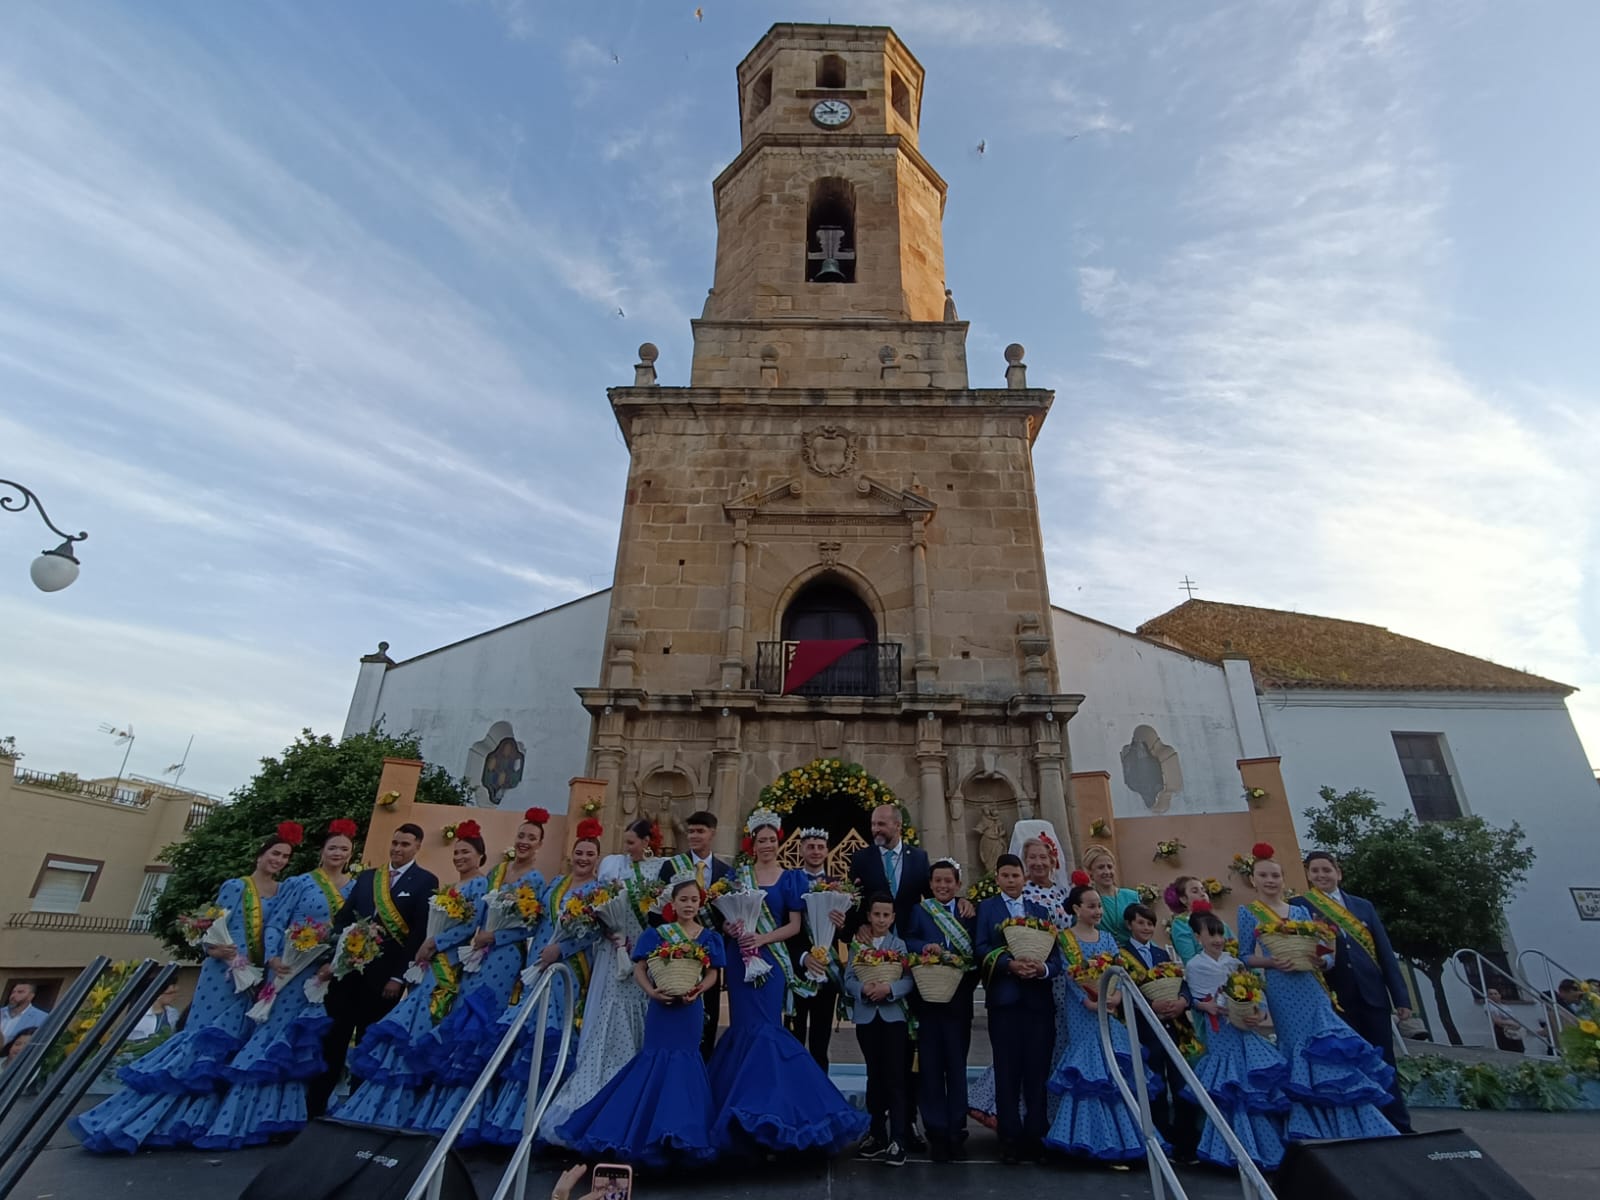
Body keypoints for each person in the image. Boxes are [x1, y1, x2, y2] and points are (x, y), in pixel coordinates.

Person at [71, 825, 295, 1152]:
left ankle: (213, 1121)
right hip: (223, 976)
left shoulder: (284, 891)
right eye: (275, 853)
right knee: (206, 1042)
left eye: (286, 857)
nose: (279, 860)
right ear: (261, 854)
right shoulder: (236, 887)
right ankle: (158, 1119)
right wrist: (213, 949)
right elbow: (212, 929)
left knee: (238, 1047)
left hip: (257, 977)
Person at [420, 821, 600, 1146]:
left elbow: (589, 932)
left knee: (545, 1035)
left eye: (589, 854)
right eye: (579, 852)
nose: (583, 858)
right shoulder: (553, 883)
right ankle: (472, 1113)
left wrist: (560, 949)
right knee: (509, 1031)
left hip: (563, 968)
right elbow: (532, 922)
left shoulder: (591, 889)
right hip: (526, 964)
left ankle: (530, 1120)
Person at [707, 809, 865, 1157]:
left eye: (771, 840)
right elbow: (721, 921)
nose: (766, 845)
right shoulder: (737, 876)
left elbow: (794, 926)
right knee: (742, 1028)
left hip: (770, 958)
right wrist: (731, 930)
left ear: (778, 842)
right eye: (760, 840)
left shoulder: (790, 878)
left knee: (768, 1031)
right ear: (753, 843)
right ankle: (739, 1110)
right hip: (739, 959)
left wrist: (761, 940)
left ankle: (776, 1110)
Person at [200, 819, 358, 1148]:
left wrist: (337, 963)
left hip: (321, 975)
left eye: (344, 849)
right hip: (287, 968)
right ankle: (244, 1117)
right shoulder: (299, 883)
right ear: (322, 851)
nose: (338, 853)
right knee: (272, 1037)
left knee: (303, 1043)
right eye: (332, 847)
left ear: (351, 853)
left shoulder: (354, 888)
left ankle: (288, 1118)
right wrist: (272, 957)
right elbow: (275, 923)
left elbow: (352, 934)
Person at [553, 874, 724, 1167]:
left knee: (686, 1062)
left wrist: (699, 990)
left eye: (694, 900)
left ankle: (681, 1134)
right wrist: (651, 993)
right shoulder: (657, 934)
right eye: (683, 899)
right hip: (661, 1008)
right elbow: (640, 968)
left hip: (690, 1009)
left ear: (700, 903)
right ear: (673, 903)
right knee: (653, 1061)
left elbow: (713, 974)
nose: (689, 905)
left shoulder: (710, 938)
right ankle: (642, 1132)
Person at [334, 820, 489, 1128]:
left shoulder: (477, 885)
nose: (459, 858)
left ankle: (405, 1104)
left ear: (481, 857)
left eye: (466, 853)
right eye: (456, 852)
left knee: (417, 1027)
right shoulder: (450, 887)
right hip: (423, 963)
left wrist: (434, 943)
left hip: (443, 966)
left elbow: (468, 927)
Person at [1241, 847, 1398, 1142]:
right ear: (1253, 880)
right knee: (1297, 1052)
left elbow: (1325, 951)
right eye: (1263, 875)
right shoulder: (1248, 912)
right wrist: (1271, 962)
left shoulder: (1300, 910)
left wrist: (1322, 961)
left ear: (1284, 879)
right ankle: (1311, 1127)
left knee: (1327, 1047)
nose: (1270, 880)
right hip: (1282, 989)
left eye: (1275, 875)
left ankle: (1352, 1124)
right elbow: (1245, 956)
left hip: (1310, 986)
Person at [307, 822, 437, 1118]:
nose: (397, 849)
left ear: (417, 847)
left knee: (368, 1044)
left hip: (383, 981)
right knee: (332, 1042)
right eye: (395, 843)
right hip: (346, 975)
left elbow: (418, 933)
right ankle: (314, 1110)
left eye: (405, 844)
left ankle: (355, 1111)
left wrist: (397, 976)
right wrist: (339, 947)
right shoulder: (367, 878)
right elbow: (342, 920)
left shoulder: (425, 880)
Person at [542, 819, 658, 1139]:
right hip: (611, 954)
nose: (627, 846)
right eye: (626, 839)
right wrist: (610, 930)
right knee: (608, 1016)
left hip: (639, 956)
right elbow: (598, 905)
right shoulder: (611, 866)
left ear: (647, 842)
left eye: (633, 841)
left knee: (640, 1017)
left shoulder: (657, 871)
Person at [1043, 883, 1158, 1165]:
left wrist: (1116, 996)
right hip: (1081, 1011)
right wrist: (1087, 1001)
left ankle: (1119, 1140)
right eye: (1091, 906)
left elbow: (1116, 971)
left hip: (1107, 1009)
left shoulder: (1106, 938)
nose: (1097, 910)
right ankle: (1082, 1140)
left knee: (1111, 1071)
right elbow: (1069, 976)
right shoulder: (1065, 938)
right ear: (1076, 909)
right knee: (1086, 1073)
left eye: (1099, 906)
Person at [1301, 849, 1414, 1132]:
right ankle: (1364, 1126)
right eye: (1315, 871)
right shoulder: (1302, 907)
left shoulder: (1363, 907)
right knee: (1348, 1065)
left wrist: (1400, 997)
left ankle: (1398, 1123)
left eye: (1326, 870)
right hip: (1336, 998)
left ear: (1338, 872)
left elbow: (1385, 954)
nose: (1321, 875)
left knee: (1383, 1061)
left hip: (1373, 994)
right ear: (1308, 875)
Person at [1181, 910, 1289, 1170]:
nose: (1218, 939)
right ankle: (1231, 1150)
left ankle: (1265, 1147)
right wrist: (1205, 1006)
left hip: (1243, 1028)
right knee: (1230, 1086)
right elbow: (1198, 999)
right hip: (1220, 1031)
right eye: (1211, 934)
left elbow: (1255, 992)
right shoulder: (1195, 965)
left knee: (1250, 1082)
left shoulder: (1234, 963)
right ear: (1198, 937)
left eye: (1220, 933)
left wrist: (1258, 1012)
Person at [976, 853, 1060, 1165]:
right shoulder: (987, 909)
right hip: (1005, 1000)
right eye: (1006, 875)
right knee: (1008, 1071)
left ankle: (1036, 1135)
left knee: (1037, 1071)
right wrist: (1009, 964)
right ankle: (1008, 1136)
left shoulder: (1041, 910)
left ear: (1024, 878)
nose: (1012, 880)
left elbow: (1056, 955)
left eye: (1016, 875)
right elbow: (981, 948)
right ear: (996, 877)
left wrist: (1042, 970)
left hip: (1038, 1000)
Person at [905, 857, 978, 1162]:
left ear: (957, 885)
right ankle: (936, 1132)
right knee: (931, 1069)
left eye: (948, 881)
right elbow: (909, 939)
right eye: (938, 882)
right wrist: (926, 949)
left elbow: (976, 948)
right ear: (930, 885)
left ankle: (956, 1131)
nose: (943, 886)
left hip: (958, 1001)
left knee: (957, 1068)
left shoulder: (969, 913)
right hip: (928, 1001)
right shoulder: (920, 912)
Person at [1123, 902, 1200, 1164]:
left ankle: (1186, 1144)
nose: (1146, 928)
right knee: (1154, 1089)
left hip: (1174, 1029)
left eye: (1150, 923)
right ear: (1129, 925)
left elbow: (1183, 984)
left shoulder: (1163, 954)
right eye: (1141, 922)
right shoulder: (1121, 956)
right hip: (1145, 1031)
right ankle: (1160, 1143)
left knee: (1182, 1088)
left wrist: (1182, 1002)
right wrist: (1149, 1005)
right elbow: (1120, 994)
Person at [845, 893, 915, 1167]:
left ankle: (899, 1136)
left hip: (893, 1017)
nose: (881, 919)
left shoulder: (899, 945)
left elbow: (909, 978)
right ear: (869, 916)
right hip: (866, 1017)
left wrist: (890, 990)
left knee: (896, 1077)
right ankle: (876, 1133)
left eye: (886, 915)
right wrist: (862, 989)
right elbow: (849, 977)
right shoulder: (858, 944)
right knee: (874, 1075)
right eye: (877, 914)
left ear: (893, 918)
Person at [658, 810, 731, 1057]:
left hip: (709, 952)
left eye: (700, 831)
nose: (694, 836)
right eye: (691, 831)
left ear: (713, 833)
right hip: (677, 952)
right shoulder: (671, 866)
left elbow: (729, 913)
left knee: (707, 1013)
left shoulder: (725, 871)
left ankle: (703, 1069)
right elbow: (659, 910)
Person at [784, 827, 839, 1068]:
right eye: (810, 846)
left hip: (826, 970)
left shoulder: (837, 885)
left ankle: (820, 1096)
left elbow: (847, 933)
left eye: (820, 847)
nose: (815, 851)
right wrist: (803, 956)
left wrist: (844, 923)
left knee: (820, 1040)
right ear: (801, 849)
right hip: (798, 971)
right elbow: (783, 924)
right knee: (793, 1037)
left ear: (827, 851)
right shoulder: (789, 881)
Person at [1166, 874, 1234, 965]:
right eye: (1195, 891)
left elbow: (1235, 947)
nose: (1202, 894)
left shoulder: (1219, 922)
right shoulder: (1181, 924)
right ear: (1183, 899)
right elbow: (1190, 961)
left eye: (1203, 890)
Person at [1083, 845, 1142, 947]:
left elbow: (1142, 928)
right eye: (1101, 867)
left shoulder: (1131, 896)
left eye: (1109, 867)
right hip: (1102, 955)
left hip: (1134, 952)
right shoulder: (1086, 900)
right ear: (1090, 873)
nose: (1107, 872)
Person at [1, 982, 47, 1048]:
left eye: (20, 992)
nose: (13, 996)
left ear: (31, 996)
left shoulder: (42, 1018)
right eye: (13, 992)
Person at [1485, 988, 1526, 1054]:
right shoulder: (1490, 1006)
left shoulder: (1505, 1006)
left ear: (1499, 995)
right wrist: (1512, 1023)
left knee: (1520, 1049)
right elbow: (1497, 1021)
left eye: (1495, 994)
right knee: (1510, 1051)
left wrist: (1517, 1024)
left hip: (1514, 1030)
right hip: (1504, 1030)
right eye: (1491, 994)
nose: (1493, 995)